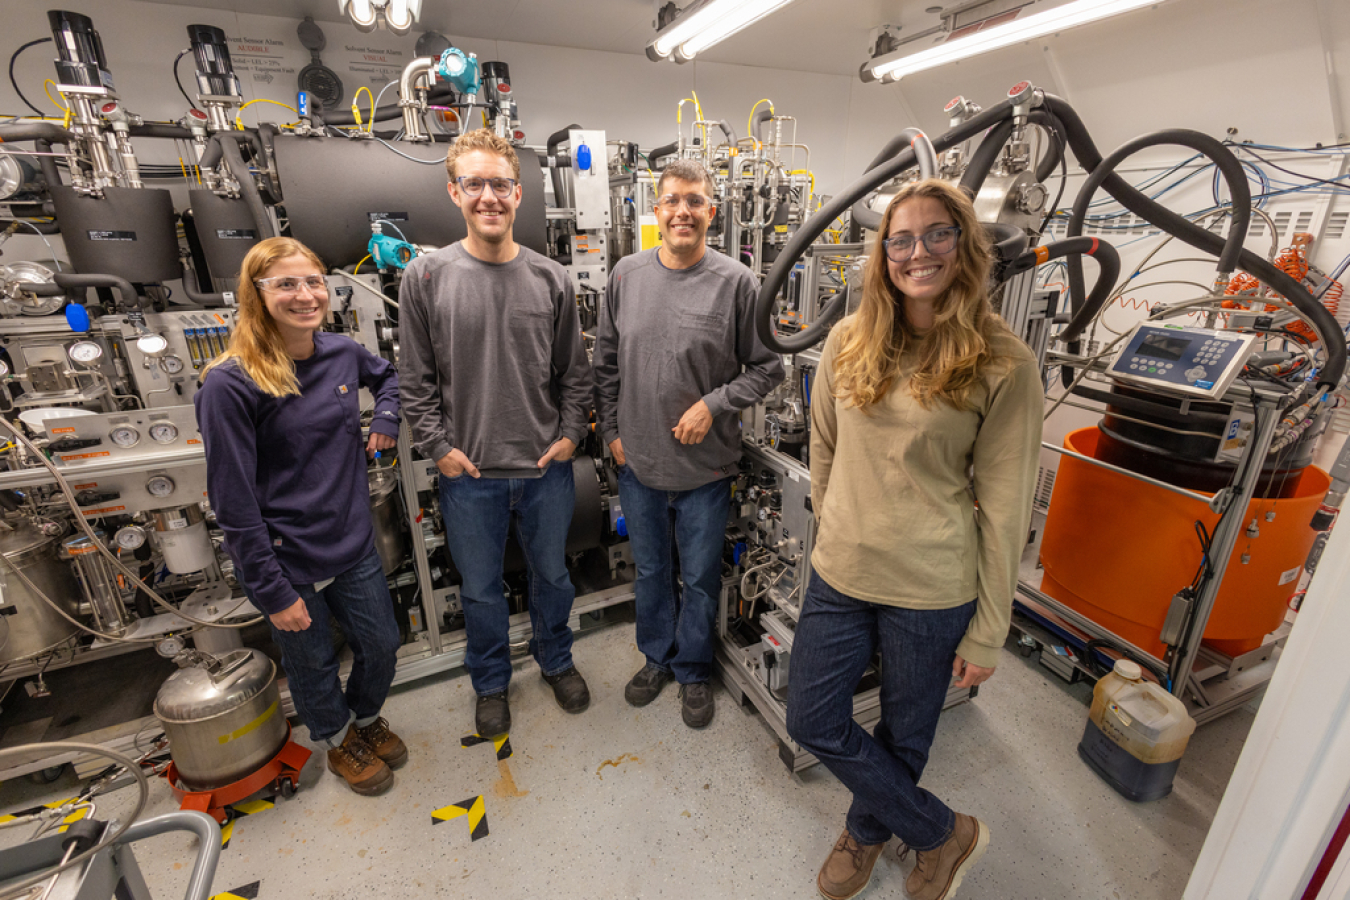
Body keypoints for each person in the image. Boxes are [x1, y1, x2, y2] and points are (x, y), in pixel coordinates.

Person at [786, 179, 1044, 900]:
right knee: (811, 714)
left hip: (932, 587)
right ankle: (940, 832)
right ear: (883, 253)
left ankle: (866, 833)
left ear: (965, 246)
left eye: (937, 234)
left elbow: (1003, 506)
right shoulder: (849, 338)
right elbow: (826, 446)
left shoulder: (1003, 362)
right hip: (842, 571)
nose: (917, 251)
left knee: (906, 735)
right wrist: (832, 524)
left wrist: (990, 629)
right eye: (900, 238)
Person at [398, 128, 593, 738]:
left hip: (545, 471)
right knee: (480, 591)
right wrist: (440, 450)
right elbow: (415, 380)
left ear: (518, 195)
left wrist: (570, 437)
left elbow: (575, 373)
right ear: (454, 191)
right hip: (470, 477)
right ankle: (490, 681)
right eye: (475, 184)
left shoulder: (553, 278)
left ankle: (555, 659)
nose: (490, 196)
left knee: (554, 576)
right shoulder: (425, 278)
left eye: (501, 185)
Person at [196, 237, 406, 797]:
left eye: (313, 281)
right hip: (288, 561)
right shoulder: (231, 383)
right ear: (256, 294)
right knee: (312, 663)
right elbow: (233, 503)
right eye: (285, 284)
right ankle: (338, 740)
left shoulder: (339, 352)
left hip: (352, 541)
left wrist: (386, 415)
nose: (305, 294)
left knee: (382, 643)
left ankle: (363, 719)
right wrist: (272, 589)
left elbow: (390, 378)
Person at [594, 159, 784, 728]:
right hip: (639, 464)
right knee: (651, 571)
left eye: (695, 201)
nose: (683, 211)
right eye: (672, 200)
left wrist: (714, 404)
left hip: (705, 469)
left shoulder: (738, 283)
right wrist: (611, 433)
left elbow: (768, 367)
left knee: (699, 578)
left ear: (712, 212)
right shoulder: (626, 274)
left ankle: (694, 670)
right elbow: (605, 365)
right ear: (655, 210)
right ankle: (658, 657)